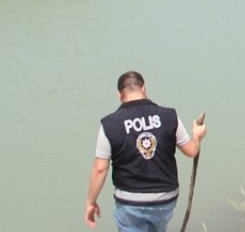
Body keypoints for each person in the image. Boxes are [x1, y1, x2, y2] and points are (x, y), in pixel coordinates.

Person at [84, 71, 207, 231]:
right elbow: (191, 151)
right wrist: (197, 136)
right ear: (144, 88)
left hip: (130, 202)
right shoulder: (169, 116)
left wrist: (90, 202)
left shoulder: (109, 125)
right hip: (165, 199)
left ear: (119, 95)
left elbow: (100, 169)